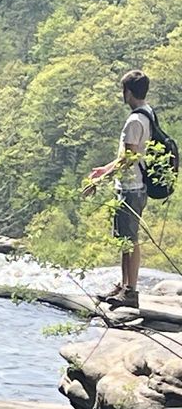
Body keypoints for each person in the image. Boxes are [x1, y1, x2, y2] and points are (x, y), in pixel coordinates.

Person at [82, 70, 153, 309]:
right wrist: (105, 169)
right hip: (136, 185)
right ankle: (124, 286)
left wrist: (98, 183)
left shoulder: (134, 121)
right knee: (125, 239)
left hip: (131, 187)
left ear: (128, 92)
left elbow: (128, 160)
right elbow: (130, 156)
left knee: (129, 240)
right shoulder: (148, 114)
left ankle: (130, 291)